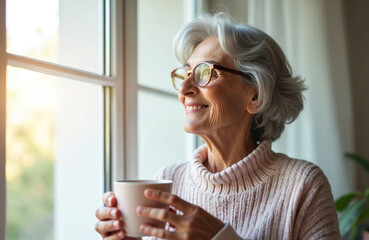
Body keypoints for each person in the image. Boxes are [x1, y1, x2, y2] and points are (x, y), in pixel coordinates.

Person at [95, 13, 340, 240]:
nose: (183, 89)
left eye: (204, 72)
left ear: (255, 95)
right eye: (186, 72)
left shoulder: (303, 186)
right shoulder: (170, 180)